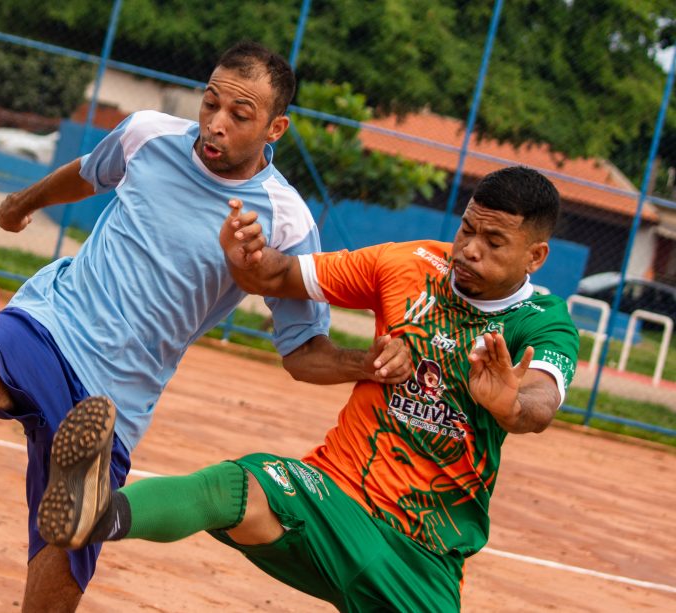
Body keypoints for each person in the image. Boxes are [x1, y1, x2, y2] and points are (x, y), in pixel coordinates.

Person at [0, 41, 412, 612]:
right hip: (57, 318)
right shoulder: (149, 134)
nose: (216, 122)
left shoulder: (282, 220)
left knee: (66, 544)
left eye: (239, 113)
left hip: (120, 394)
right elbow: (88, 171)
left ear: (275, 128)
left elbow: (302, 350)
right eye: (210, 101)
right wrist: (25, 202)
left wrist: (367, 363)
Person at [37, 166, 580, 612]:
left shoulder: (543, 322)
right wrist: (248, 254)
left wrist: (510, 404)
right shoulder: (408, 265)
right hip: (331, 497)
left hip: (422, 553)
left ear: (535, 256)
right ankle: (98, 514)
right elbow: (277, 277)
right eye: (467, 229)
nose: (468, 249)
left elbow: (540, 401)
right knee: (235, 486)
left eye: (493, 240)